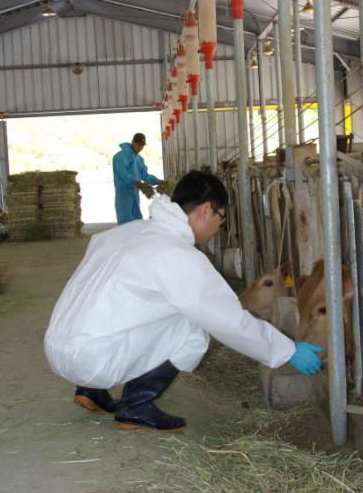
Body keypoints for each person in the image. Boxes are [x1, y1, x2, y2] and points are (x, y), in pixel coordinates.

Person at [44, 170, 324, 433]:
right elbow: (227, 321)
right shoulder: (178, 255)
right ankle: (135, 406)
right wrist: (287, 351)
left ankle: (91, 390)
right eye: (221, 219)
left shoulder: (126, 232)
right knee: (193, 327)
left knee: (135, 309)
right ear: (205, 210)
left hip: (58, 348)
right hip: (92, 358)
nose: (218, 227)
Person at [112, 132, 160, 224]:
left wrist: (157, 181)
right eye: (138, 144)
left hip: (135, 193)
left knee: (137, 220)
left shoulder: (139, 159)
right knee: (125, 222)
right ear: (133, 142)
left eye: (142, 145)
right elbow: (123, 173)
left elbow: (145, 175)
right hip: (124, 194)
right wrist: (135, 182)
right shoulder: (120, 156)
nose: (140, 147)